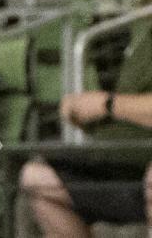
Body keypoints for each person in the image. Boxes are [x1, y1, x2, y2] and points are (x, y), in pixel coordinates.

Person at [19, 24, 152, 235]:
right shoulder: (144, 34)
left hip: (145, 165)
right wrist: (90, 115)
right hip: (120, 160)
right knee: (38, 177)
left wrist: (106, 105)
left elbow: (114, 104)